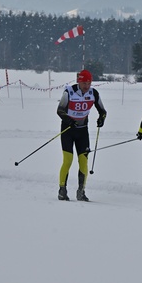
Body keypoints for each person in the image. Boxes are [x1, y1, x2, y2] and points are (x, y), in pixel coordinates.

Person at [56, 69, 107, 202]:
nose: (86, 86)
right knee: (68, 161)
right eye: (84, 83)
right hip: (68, 130)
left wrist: (102, 118)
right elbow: (60, 110)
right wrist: (69, 120)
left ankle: (81, 191)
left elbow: (103, 110)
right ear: (79, 81)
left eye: (89, 83)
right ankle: (62, 190)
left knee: (83, 162)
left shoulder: (93, 93)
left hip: (82, 131)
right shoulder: (69, 91)